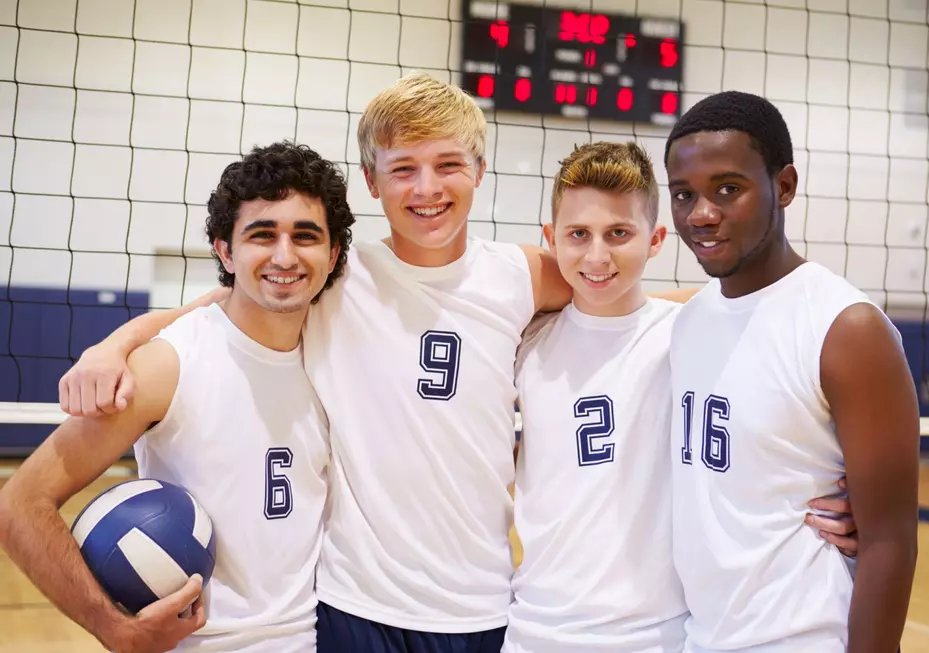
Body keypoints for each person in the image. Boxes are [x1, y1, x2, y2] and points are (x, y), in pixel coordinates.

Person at [52, 74, 858, 652]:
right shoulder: (338, 271)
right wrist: (117, 341)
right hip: (352, 602)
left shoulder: (518, 277)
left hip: (484, 607)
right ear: (371, 180)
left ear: (478, 172)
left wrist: (835, 462)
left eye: (447, 165)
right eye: (403, 169)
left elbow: (646, 297)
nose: (427, 187)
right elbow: (230, 304)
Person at [0, 141, 355, 653]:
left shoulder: (334, 350)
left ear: (333, 254)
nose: (285, 255)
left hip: (313, 640)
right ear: (225, 251)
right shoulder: (167, 365)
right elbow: (19, 504)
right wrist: (113, 628)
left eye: (305, 236)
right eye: (262, 235)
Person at [505, 140, 858, 653]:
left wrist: (844, 490)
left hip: (664, 636)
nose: (597, 255)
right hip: (537, 630)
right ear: (550, 239)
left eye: (619, 233)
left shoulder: (694, 332)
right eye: (578, 234)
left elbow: (791, 321)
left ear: (656, 239)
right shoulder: (524, 345)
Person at [664, 90, 919, 652]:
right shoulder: (689, 321)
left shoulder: (847, 330)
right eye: (684, 195)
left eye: (728, 189)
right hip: (702, 637)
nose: (702, 214)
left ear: (784, 186)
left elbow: (889, 541)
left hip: (804, 635)